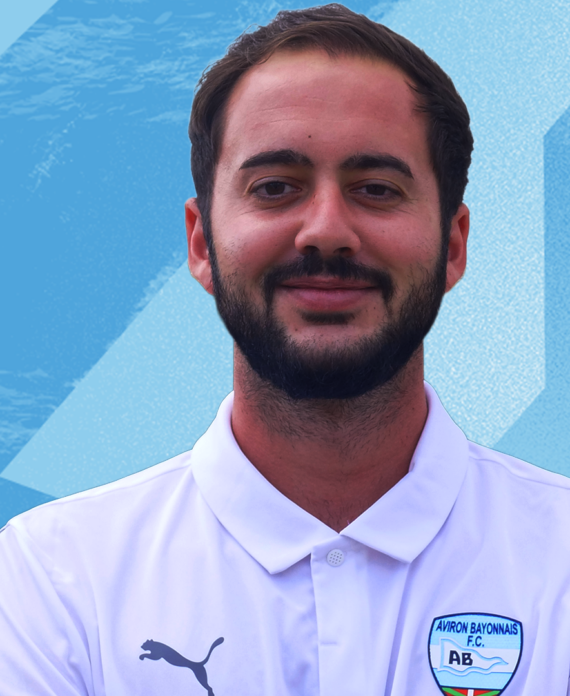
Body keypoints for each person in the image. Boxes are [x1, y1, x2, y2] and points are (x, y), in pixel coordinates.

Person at [1, 4, 569, 695]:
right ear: (201, 243)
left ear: (453, 246)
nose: (326, 231)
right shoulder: (54, 584)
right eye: (274, 188)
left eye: (377, 189)